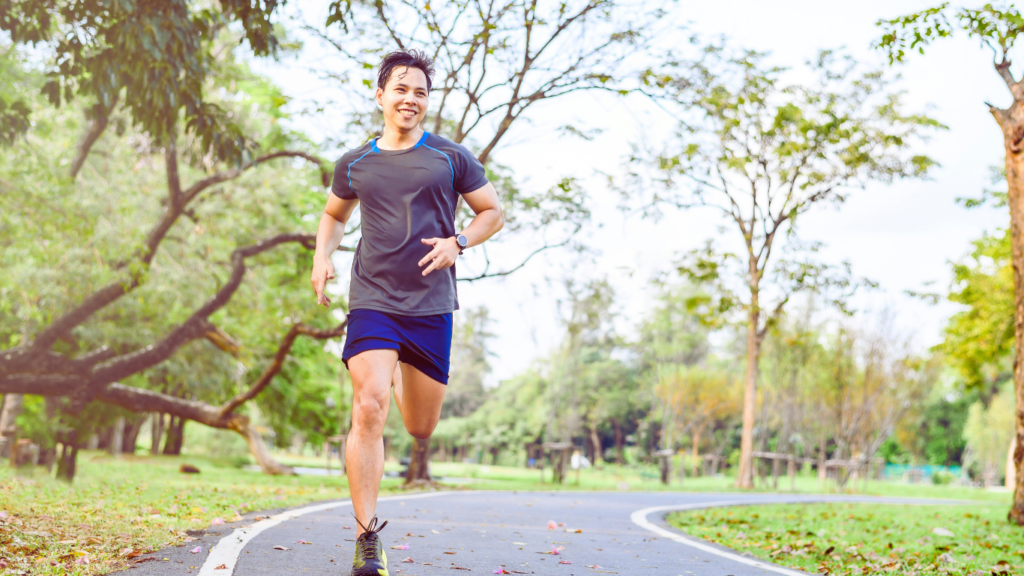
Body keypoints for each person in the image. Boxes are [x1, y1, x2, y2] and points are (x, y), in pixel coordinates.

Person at [310, 48, 504, 576]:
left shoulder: (450, 157)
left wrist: (458, 243)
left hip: (430, 306)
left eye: (419, 91)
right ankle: (366, 539)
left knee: (420, 425)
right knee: (368, 405)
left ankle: (399, 372)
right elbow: (333, 215)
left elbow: (493, 212)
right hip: (372, 297)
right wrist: (322, 254)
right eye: (400, 89)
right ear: (380, 95)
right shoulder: (355, 161)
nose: (410, 99)